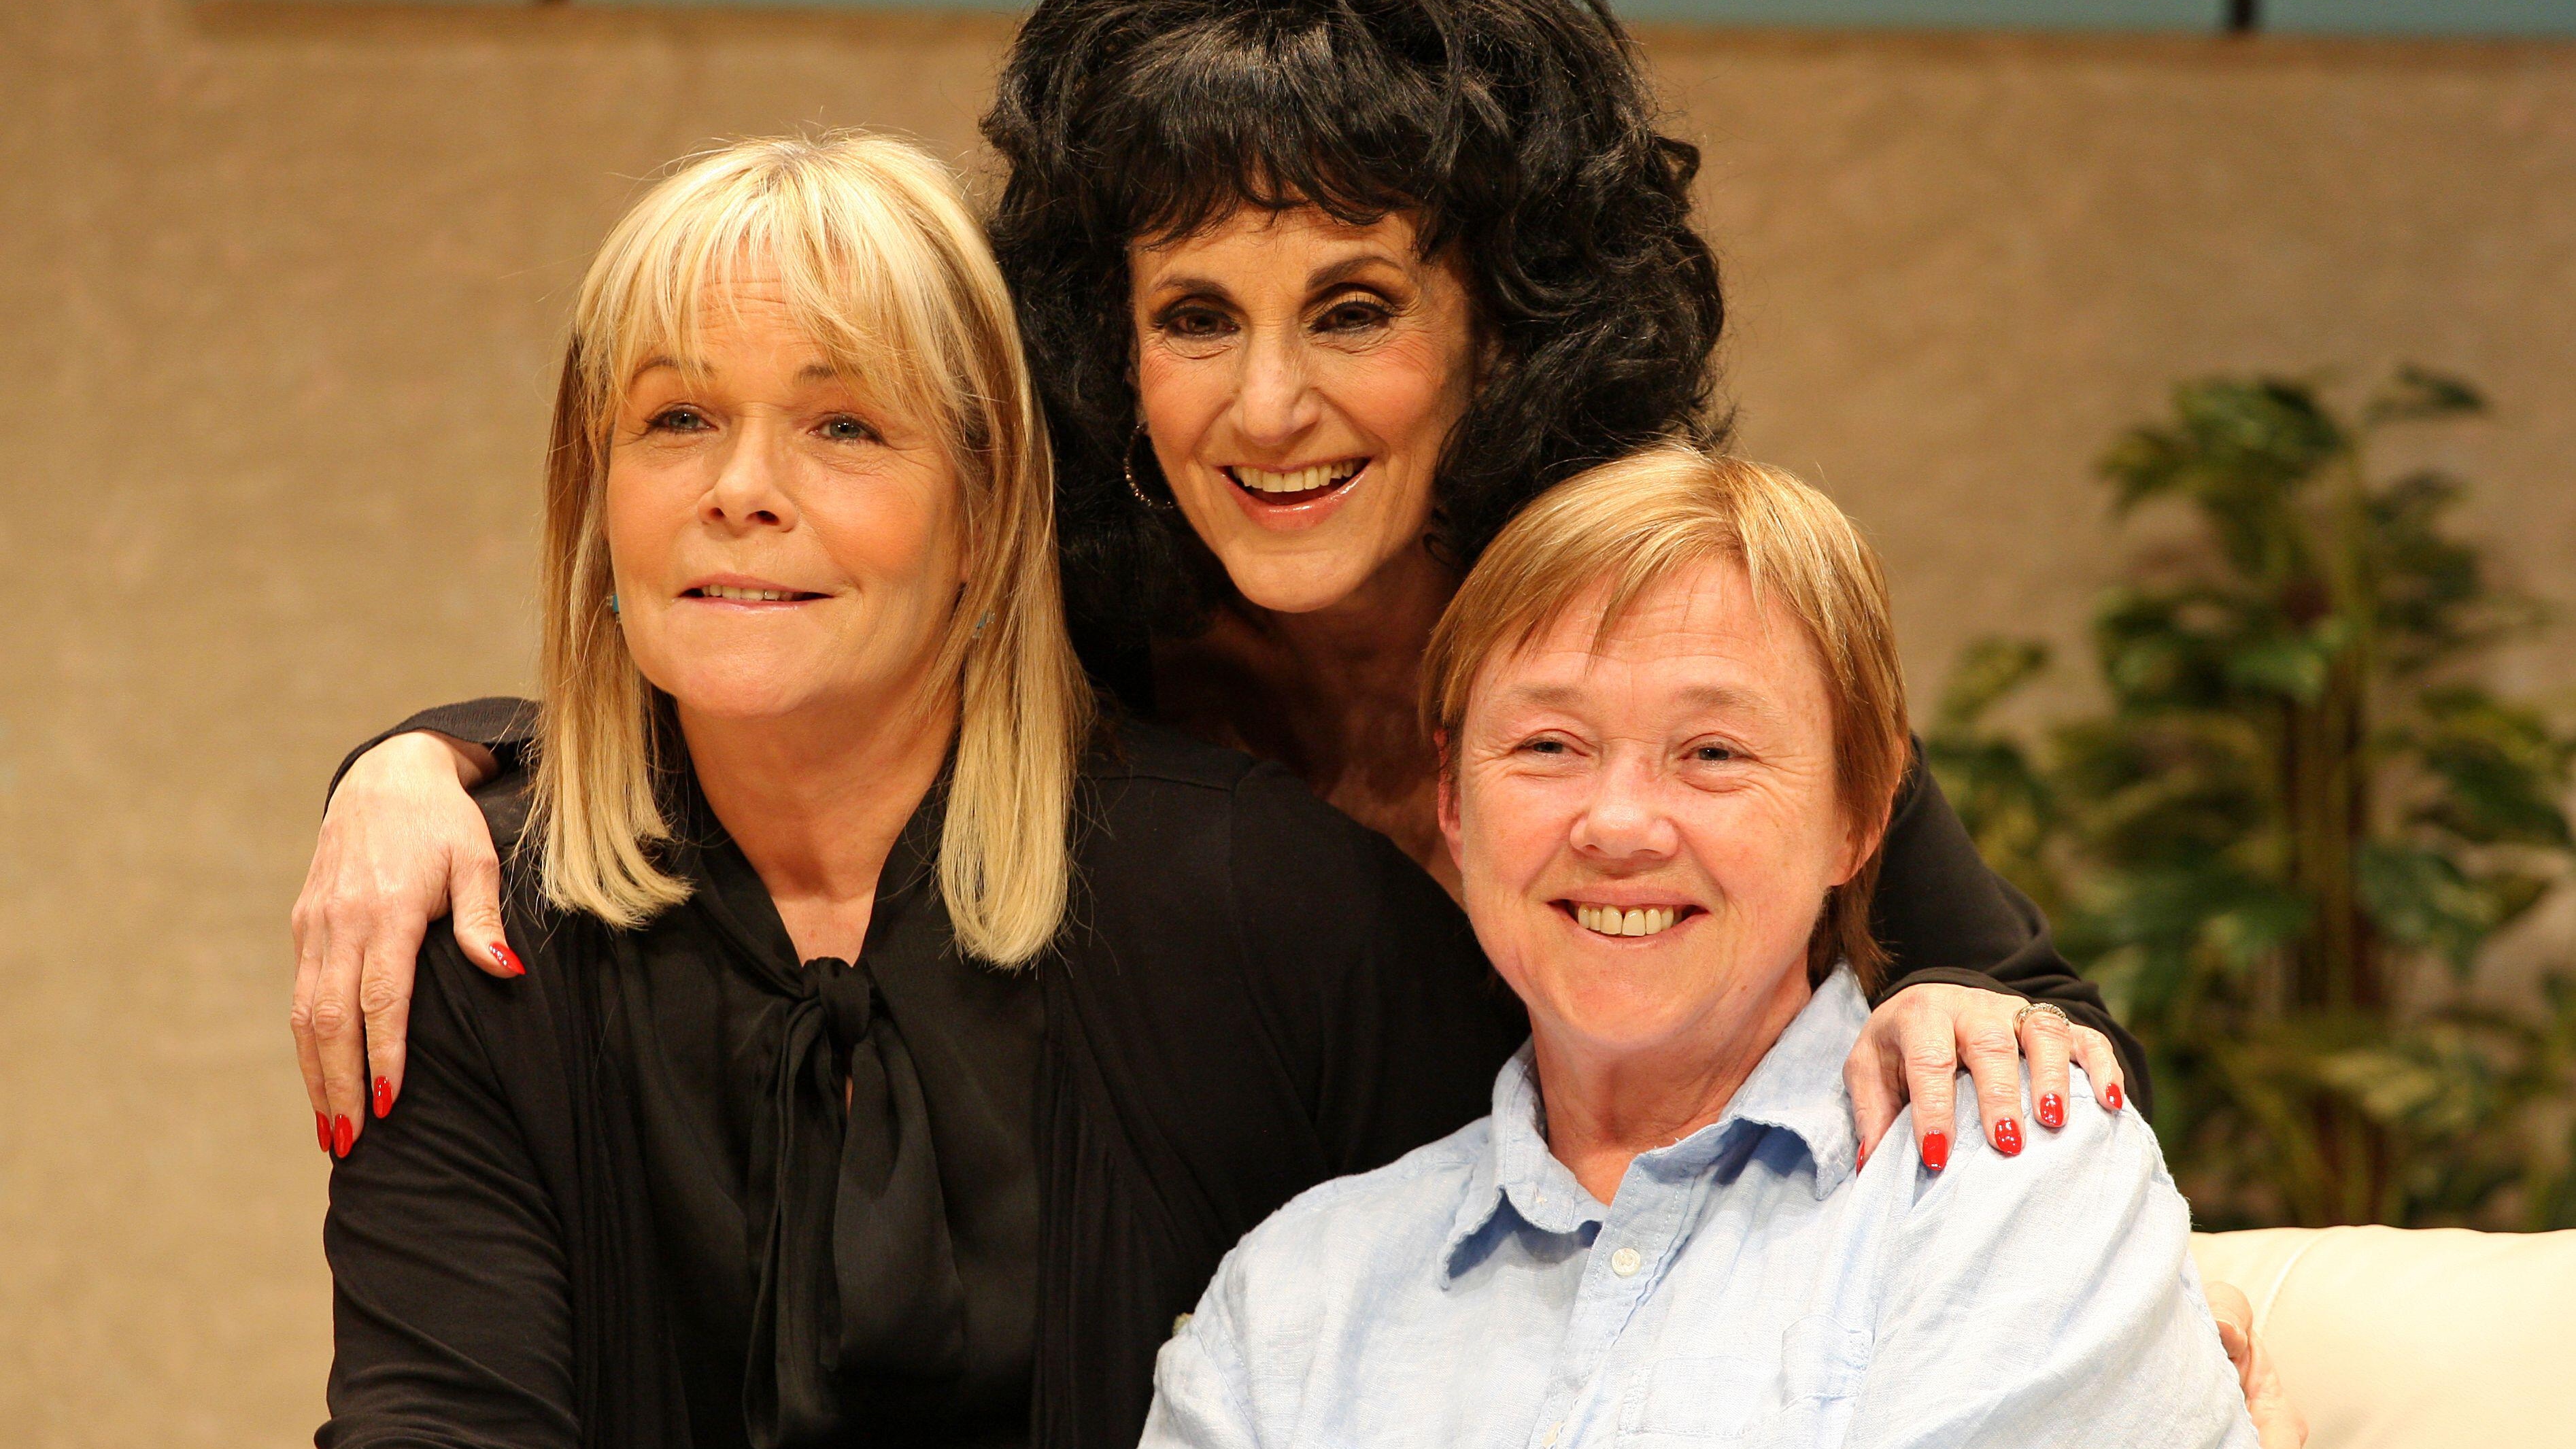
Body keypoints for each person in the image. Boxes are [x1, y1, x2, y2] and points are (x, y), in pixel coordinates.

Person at [298, 0, 2131, 1187]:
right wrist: (425, 755)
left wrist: (1968, 1037)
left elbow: (2008, 998)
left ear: (1500, 325)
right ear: (1106, 341)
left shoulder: (1639, 635)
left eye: (1352, 308)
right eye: (1195, 318)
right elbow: (765, 660)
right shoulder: (1086, 653)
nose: (1267, 408)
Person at [317, 133, 1528, 1449]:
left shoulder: (1277, 912)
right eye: (677, 419)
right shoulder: (482, 921)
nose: (740, 492)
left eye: (843, 424)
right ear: (594, 493)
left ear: (985, 505)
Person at [1142, 447, 2258, 1448]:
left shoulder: (2007, 1181)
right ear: (1451, 800)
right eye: (1547, 744)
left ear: (1859, 814)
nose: (1619, 823)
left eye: (1714, 752)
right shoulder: (1293, 1299)